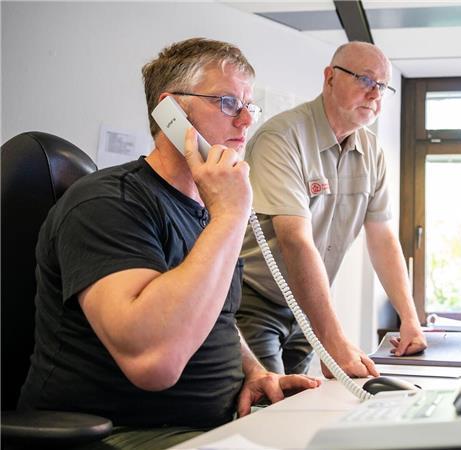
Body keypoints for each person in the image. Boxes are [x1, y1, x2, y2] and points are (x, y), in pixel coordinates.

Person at [17, 38, 320, 449]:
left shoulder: (208, 213)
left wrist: (253, 370)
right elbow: (153, 363)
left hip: (212, 426)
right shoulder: (107, 202)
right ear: (171, 111)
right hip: (123, 433)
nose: (246, 120)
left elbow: (217, 318)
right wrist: (231, 217)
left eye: (250, 105)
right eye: (228, 102)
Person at [238, 41, 426, 379]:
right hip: (257, 301)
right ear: (330, 78)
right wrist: (334, 340)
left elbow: (383, 239)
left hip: (310, 302)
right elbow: (295, 239)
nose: (375, 95)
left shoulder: (373, 153)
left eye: (382, 86)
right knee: (268, 408)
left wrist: (410, 318)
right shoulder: (281, 138)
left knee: (300, 404)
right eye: (366, 80)